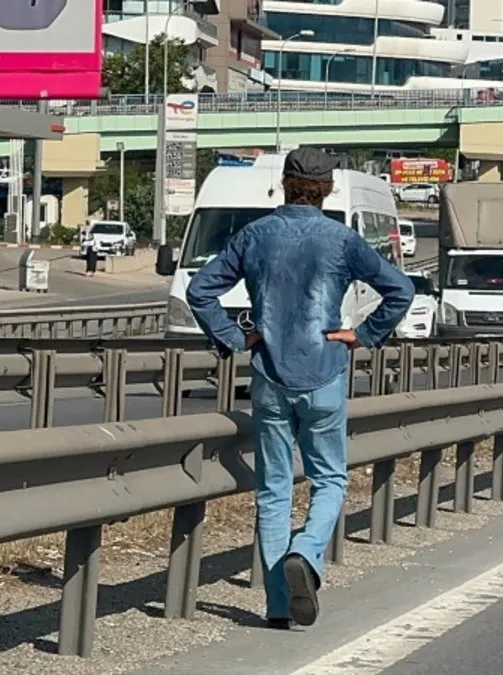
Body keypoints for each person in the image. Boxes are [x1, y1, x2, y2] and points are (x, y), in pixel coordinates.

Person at [186, 146, 414, 629]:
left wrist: (233, 338)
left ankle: (277, 606)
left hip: (269, 375)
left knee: (273, 491)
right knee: (329, 478)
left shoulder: (255, 235)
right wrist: (365, 335)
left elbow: (199, 290)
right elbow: (402, 290)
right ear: (327, 188)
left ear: (284, 184)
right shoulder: (342, 240)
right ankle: (306, 554)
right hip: (326, 372)